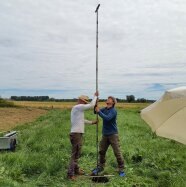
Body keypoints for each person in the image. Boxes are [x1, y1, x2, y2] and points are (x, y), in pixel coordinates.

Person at [67, 91, 99, 180]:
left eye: (85, 102)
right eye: (84, 102)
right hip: (76, 134)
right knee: (75, 154)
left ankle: (76, 170)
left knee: (77, 153)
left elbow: (82, 120)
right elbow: (92, 105)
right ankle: (70, 174)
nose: (85, 103)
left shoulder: (78, 109)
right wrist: (95, 96)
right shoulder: (78, 107)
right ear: (80, 101)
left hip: (77, 134)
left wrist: (92, 122)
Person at [92, 96, 126, 177]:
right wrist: (95, 104)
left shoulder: (113, 111)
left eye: (109, 99)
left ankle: (121, 169)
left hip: (113, 134)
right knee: (101, 151)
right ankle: (101, 166)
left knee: (117, 152)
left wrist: (99, 111)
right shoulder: (105, 108)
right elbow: (95, 112)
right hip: (105, 134)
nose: (107, 100)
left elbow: (107, 118)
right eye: (107, 99)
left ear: (113, 102)